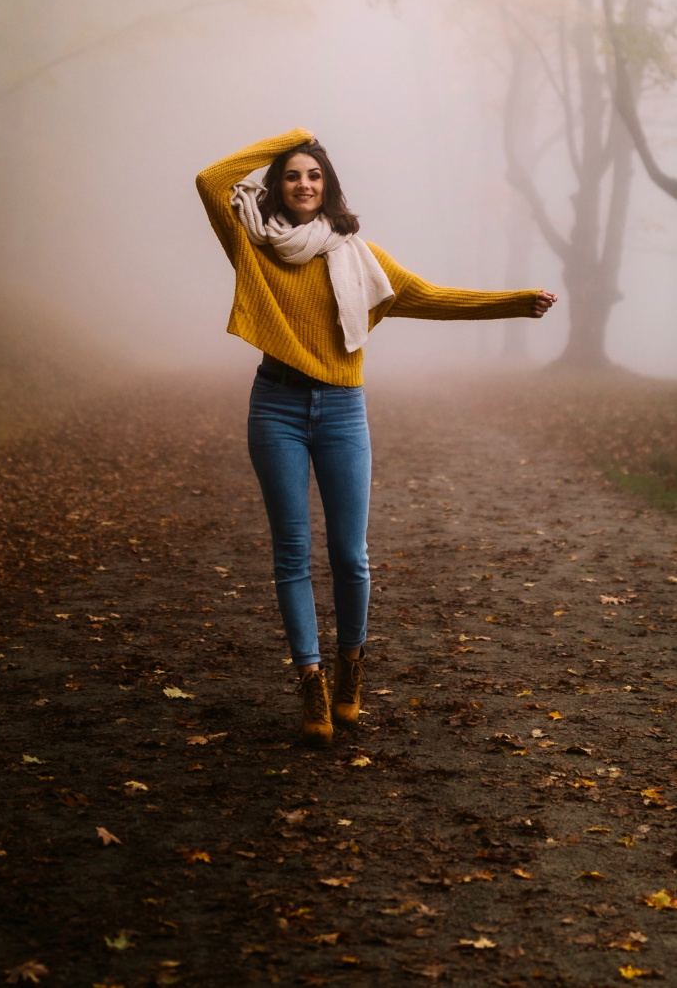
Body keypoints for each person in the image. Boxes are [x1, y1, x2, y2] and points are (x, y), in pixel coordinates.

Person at [196, 128, 557, 745]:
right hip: (276, 406)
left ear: (329, 186)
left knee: (350, 555)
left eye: (314, 174)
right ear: (276, 185)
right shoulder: (252, 243)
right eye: (291, 174)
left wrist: (516, 302)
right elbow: (211, 180)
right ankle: (310, 680)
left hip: (341, 409)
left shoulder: (359, 257)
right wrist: (296, 137)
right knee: (292, 553)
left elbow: (430, 296)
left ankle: (349, 664)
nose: (304, 184)